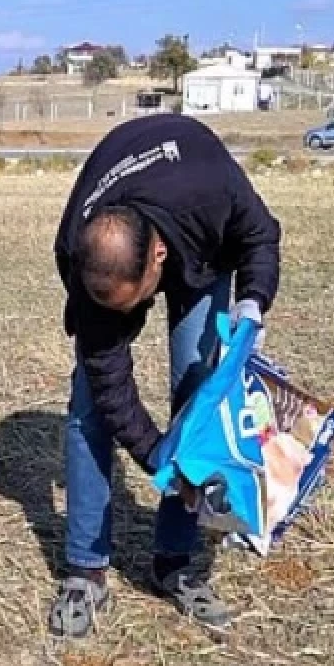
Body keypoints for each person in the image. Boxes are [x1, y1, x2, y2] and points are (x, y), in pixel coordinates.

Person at [49, 113, 281, 638]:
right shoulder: (84, 256)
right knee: (89, 408)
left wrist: (252, 300)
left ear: (157, 257)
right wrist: (157, 457)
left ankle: (175, 561)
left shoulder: (212, 191)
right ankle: (85, 570)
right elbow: (110, 383)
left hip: (202, 247)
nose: (129, 317)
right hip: (127, 232)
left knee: (197, 398)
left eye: (133, 303)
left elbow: (260, 235)